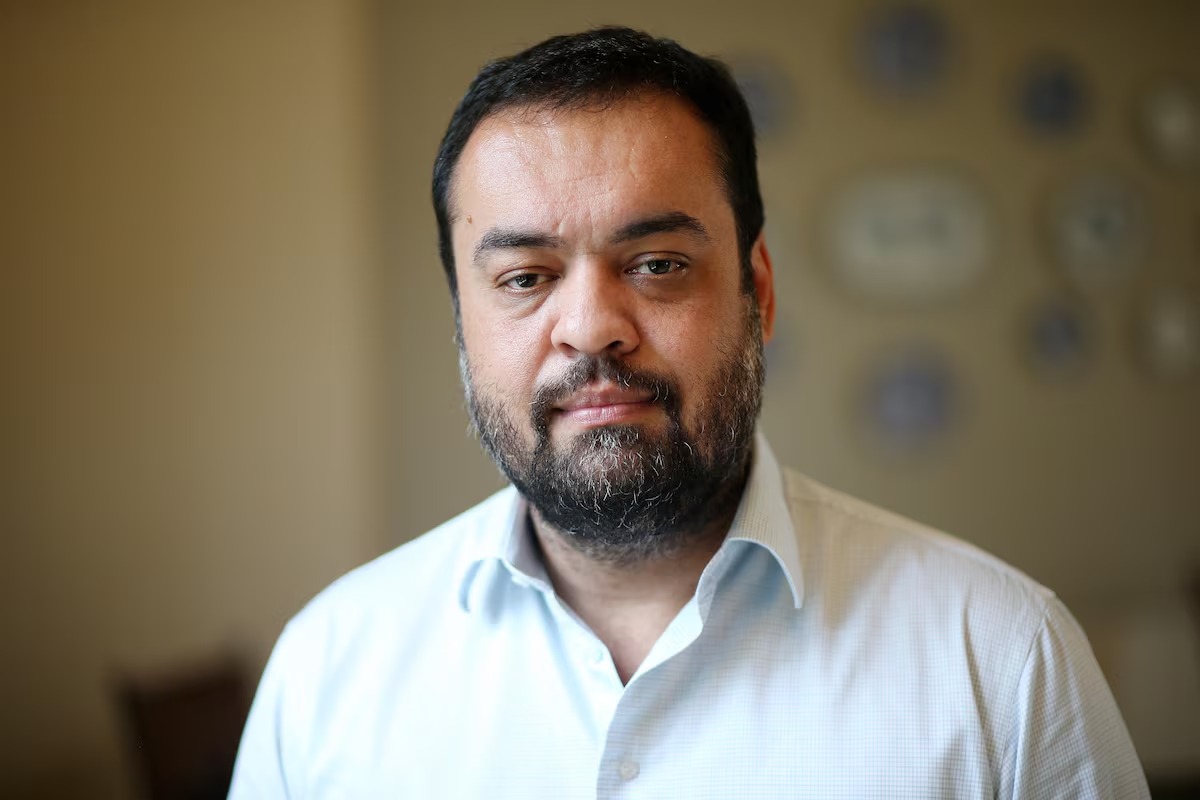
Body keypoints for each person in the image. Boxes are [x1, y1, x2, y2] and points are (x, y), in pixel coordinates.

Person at [229, 27, 1149, 798]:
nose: (590, 326)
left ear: (759, 293)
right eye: (524, 278)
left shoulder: (1004, 663)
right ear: (462, 325)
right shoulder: (325, 676)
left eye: (658, 264)